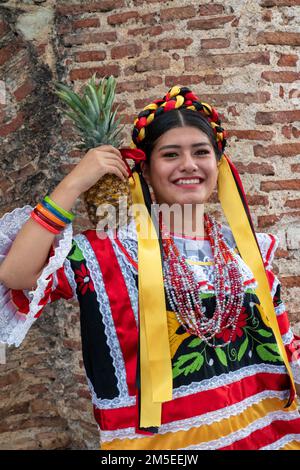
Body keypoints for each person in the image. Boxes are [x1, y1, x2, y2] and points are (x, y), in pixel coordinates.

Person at [0, 86, 299, 451]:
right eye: (170, 154)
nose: (188, 164)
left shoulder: (246, 250)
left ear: (218, 164)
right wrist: (74, 182)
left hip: (269, 437)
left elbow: (283, 349)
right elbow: (16, 275)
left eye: (201, 152)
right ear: (145, 168)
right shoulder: (107, 254)